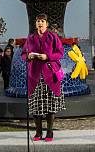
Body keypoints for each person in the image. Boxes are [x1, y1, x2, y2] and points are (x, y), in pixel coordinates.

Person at [22, 13, 65, 142]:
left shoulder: (53, 37)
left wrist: (47, 57)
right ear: (35, 23)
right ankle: (38, 132)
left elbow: (60, 53)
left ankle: (50, 132)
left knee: (50, 105)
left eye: (42, 21)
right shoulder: (30, 38)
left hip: (50, 76)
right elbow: (24, 54)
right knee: (36, 105)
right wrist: (28, 56)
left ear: (46, 24)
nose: (40, 23)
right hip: (35, 76)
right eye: (38, 21)